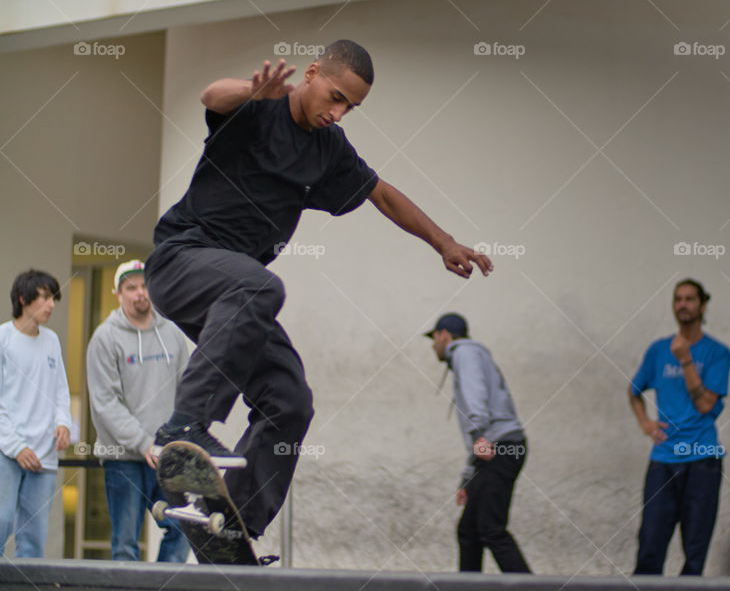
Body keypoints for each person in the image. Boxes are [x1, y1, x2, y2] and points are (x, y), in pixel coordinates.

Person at [145, 40, 493, 542]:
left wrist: (443, 242)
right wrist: (250, 92)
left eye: (351, 107)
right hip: (182, 260)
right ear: (311, 74)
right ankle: (182, 426)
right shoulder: (259, 108)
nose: (338, 113)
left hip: (233, 299)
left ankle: (237, 523)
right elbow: (211, 95)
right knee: (261, 286)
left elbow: (382, 194)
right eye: (335, 97)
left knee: (290, 400)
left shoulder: (330, 150)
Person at [86, 260, 190, 562]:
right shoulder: (105, 338)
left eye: (144, 285)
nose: (140, 293)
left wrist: (180, 439)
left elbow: (186, 390)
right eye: (131, 288)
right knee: (125, 544)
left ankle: (160, 583)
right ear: (119, 295)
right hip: (123, 459)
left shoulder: (172, 333)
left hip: (166, 456)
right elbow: (106, 403)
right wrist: (143, 443)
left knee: (183, 528)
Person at [628, 278, 730, 575]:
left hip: (703, 462)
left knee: (695, 555)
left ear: (703, 305)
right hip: (663, 461)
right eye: (678, 299)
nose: (683, 304)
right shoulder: (658, 350)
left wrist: (685, 359)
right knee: (649, 547)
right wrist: (645, 423)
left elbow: (705, 405)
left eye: (690, 299)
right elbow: (634, 391)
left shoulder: (718, 352)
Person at [427, 313, 531, 573]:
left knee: (490, 529)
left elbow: (476, 395)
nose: (433, 345)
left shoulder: (465, 353)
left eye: (434, 338)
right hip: (498, 447)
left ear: (444, 335)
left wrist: (477, 436)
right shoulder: (469, 355)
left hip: (501, 447)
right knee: (469, 531)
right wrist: (468, 478)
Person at [0, 270, 71, 557]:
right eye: (44, 297)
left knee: (33, 539)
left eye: (53, 298)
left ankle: (24, 582)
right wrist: (16, 447)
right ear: (22, 298)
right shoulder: (3, 338)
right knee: (1, 522)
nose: (51, 304)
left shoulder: (52, 340)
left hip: (44, 455)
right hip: (6, 451)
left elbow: (60, 390)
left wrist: (63, 423)